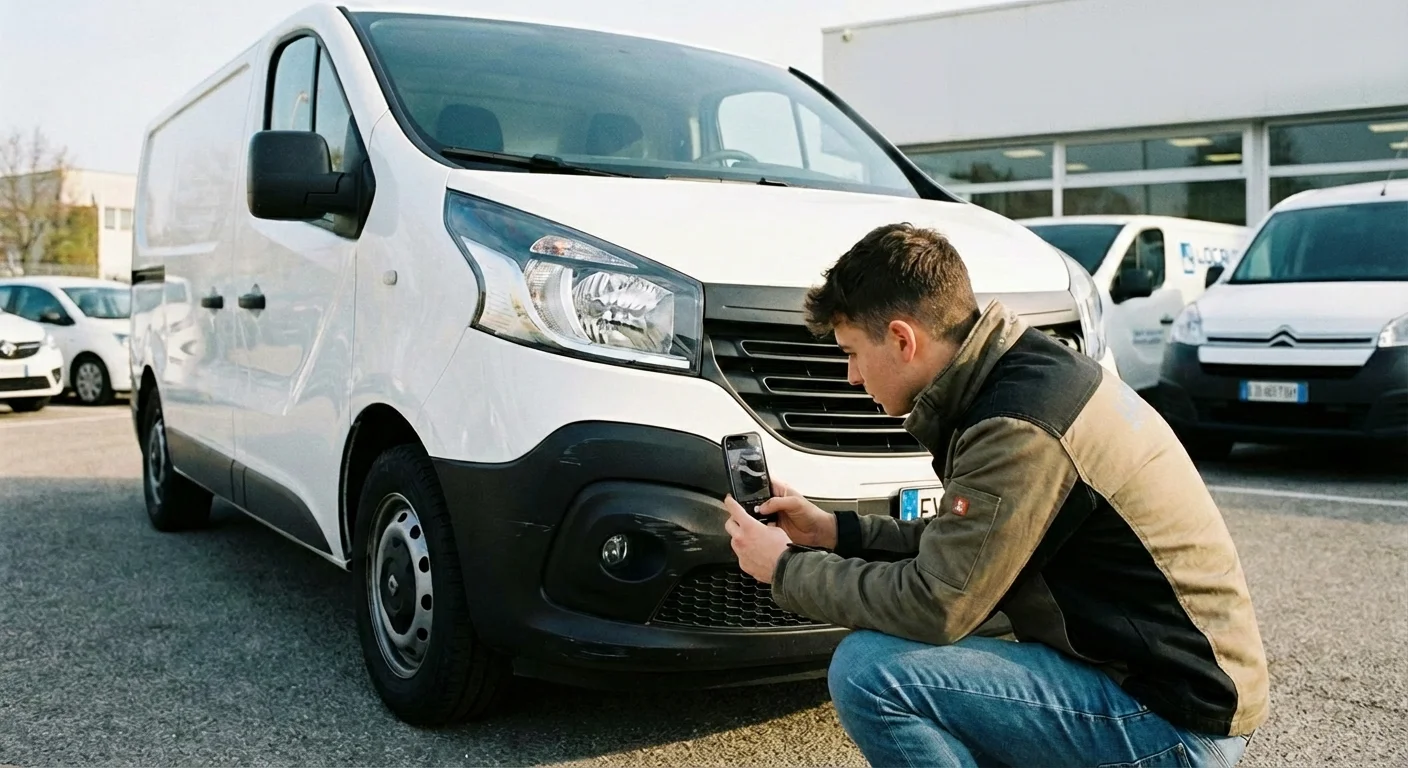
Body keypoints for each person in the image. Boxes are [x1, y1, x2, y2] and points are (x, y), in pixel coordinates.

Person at [721, 223, 1268, 767]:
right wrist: (836, 532)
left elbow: (937, 605)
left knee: (870, 672)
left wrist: (785, 569)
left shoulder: (1019, 426)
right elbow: (967, 546)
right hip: (1161, 687)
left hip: (1172, 722)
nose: (851, 377)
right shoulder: (1023, 375)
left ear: (902, 339)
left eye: (853, 353)